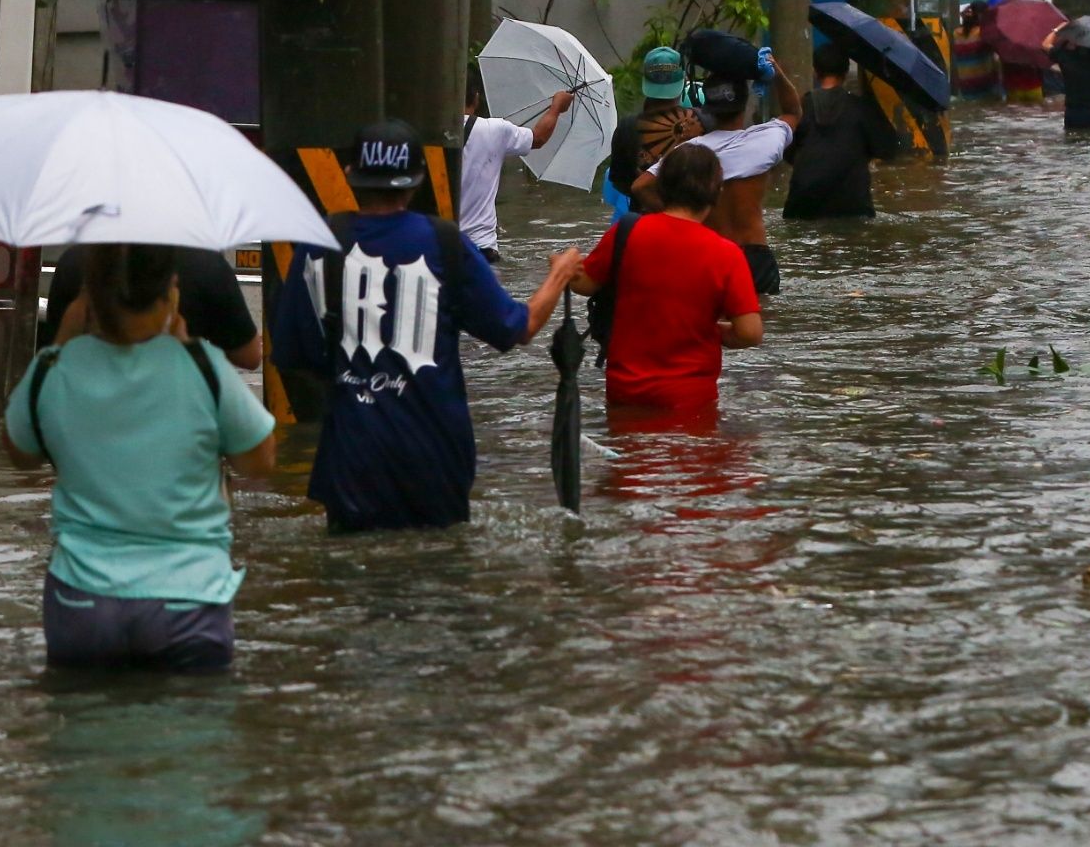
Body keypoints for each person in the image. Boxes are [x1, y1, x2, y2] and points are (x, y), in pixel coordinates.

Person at [271, 119, 581, 533]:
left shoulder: (319, 245)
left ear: (349, 176)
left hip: (350, 462)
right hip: (436, 460)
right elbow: (516, 328)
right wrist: (559, 275)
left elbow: (294, 356)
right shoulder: (445, 243)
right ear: (417, 181)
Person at [5, 244, 277, 672]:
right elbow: (259, 463)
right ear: (171, 293)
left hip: (81, 604)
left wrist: (59, 343)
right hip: (189, 600)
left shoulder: (54, 370)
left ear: (87, 297)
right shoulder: (203, 368)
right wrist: (185, 345)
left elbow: (21, 454)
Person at [573, 145, 762, 413]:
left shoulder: (626, 232)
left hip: (625, 393)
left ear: (661, 186)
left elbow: (584, 283)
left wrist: (563, 265)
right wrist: (709, 328)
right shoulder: (727, 254)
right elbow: (750, 333)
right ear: (717, 191)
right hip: (692, 398)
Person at [632, 51, 801, 296]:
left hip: (712, 252)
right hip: (756, 258)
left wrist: (681, 221)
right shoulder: (767, 139)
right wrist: (776, 73)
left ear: (707, 108)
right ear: (744, 104)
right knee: (758, 326)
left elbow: (640, 187)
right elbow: (794, 111)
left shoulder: (690, 152)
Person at [41, 245, 260, 369]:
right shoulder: (205, 264)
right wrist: (186, 342)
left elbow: (21, 442)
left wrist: (61, 340)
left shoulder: (76, 260)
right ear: (167, 298)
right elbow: (249, 357)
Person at [459, 65, 575, 262]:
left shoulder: (427, 132)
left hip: (438, 246)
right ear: (476, 98)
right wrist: (556, 108)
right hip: (481, 249)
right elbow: (537, 138)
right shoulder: (494, 130)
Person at [783, 41, 899, 220]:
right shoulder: (862, 108)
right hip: (851, 206)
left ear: (815, 70)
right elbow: (888, 149)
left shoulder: (801, 107)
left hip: (802, 204)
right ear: (846, 73)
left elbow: (788, 153)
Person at [605, 46, 707, 217]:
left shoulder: (627, 127)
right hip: (696, 224)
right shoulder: (702, 121)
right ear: (682, 83)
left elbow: (618, 181)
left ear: (646, 82)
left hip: (645, 224)